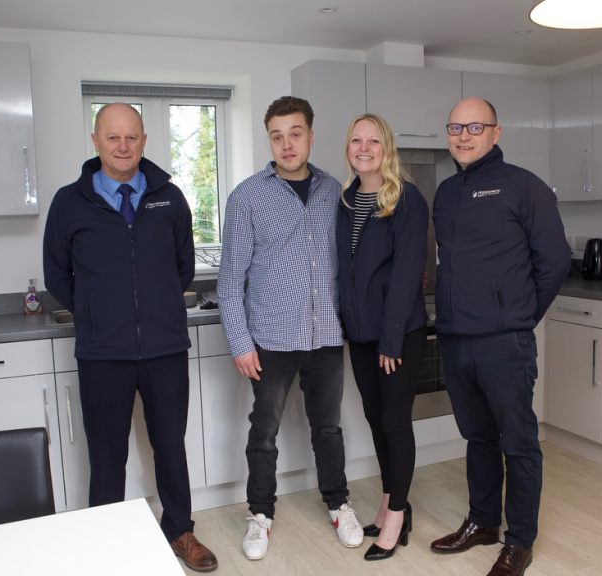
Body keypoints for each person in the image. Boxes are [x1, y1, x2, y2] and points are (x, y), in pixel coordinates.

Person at [43, 103, 218, 573]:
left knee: (170, 447)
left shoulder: (169, 197)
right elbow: (57, 275)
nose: (123, 146)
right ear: (96, 140)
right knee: (107, 456)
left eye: (132, 137)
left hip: (164, 348)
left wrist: (154, 306)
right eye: (113, 137)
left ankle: (180, 531)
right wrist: (98, 310)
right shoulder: (69, 202)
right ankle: (105, 543)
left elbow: (184, 267)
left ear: (143, 141)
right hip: (103, 352)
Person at [217, 95, 364, 561]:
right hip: (271, 340)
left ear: (311, 136)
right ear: (270, 140)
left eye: (295, 133)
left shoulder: (334, 192)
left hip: (324, 336)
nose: (287, 144)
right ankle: (260, 515)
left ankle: (338, 504)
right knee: (264, 432)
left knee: (328, 429)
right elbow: (229, 279)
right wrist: (241, 343)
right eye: (277, 136)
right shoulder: (247, 197)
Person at [428, 97, 571, 576]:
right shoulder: (445, 192)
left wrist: (520, 316)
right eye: (455, 126)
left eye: (475, 126)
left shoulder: (524, 188)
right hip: (455, 338)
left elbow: (554, 261)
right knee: (478, 437)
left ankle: (520, 542)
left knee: (519, 442)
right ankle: (483, 522)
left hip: (504, 342)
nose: (463, 135)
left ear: (496, 132)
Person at [335, 114, 428, 561]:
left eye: (373, 140)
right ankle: (393, 500)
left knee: (394, 422)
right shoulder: (346, 200)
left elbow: (409, 273)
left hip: (397, 334)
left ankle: (396, 516)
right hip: (361, 334)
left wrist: (391, 339)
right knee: (375, 419)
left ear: (386, 147)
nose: (364, 147)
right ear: (348, 148)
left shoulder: (405, 199)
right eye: (357, 140)